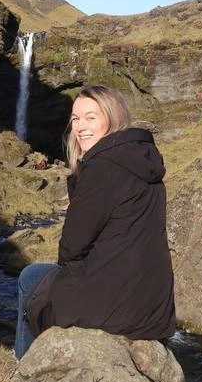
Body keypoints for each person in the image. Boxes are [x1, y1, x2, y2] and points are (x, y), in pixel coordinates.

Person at [14, 85, 176, 360]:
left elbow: (71, 249)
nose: (80, 127)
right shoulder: (144, 161)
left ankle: (24, 364)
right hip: (153, 305)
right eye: (76, 119)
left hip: (115, 304)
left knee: (30, 277)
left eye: (91, 117)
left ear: (112, 118)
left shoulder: (102, 166)